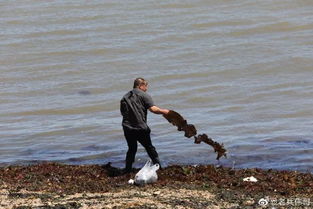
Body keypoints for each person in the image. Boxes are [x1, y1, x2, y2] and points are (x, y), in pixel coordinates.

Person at [120, 78, 169, 173]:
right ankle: (158, 167)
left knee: (132, 149)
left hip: (127, 127)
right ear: (140, 85)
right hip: (140, 128)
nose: (146, 89)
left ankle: (127, 169)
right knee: (149, 147)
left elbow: (123, 113)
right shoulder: (144, 95)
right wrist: (166, 112)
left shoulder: (125, 97)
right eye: (146, 86)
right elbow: (153, 109)